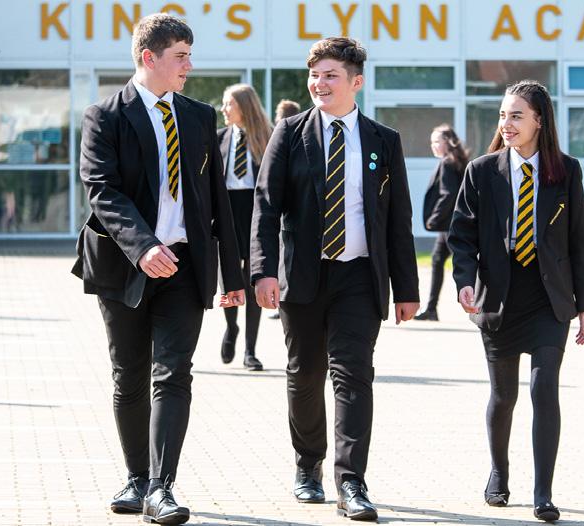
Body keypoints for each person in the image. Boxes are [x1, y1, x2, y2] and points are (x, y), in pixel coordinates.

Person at [71, 13, 245, 525]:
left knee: (173, 373)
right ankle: (136, 477)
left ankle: (161, 488)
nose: (189, 66)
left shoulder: (198, 116)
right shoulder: (104, 116)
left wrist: (232, 276)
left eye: (190, 55)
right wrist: (143, 246)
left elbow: (215, 199)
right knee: (129, 374)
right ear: (149, 57)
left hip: (185, 265)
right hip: (124, 264)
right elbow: (102, 190)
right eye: (181, 56)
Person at [251, 37, 420, 522]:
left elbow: (397, 219)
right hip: (303, 276)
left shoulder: (383, 140)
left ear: (356, 81)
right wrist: (262, 270)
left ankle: (351, 482)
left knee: (353, 375)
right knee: (305, 374)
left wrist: (407, 289)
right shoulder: (290, 133)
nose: (319, 84)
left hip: (359, 277)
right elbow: (266, 206)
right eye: (314, 75)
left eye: (330, 75)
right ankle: (308, 465)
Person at [447, 79, 584, 523]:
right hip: (499, 296)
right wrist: (465, 280)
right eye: (502, 116)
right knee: (504, 394)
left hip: (549, 297)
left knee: (544, 388)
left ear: (539, 121)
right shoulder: (482, 171)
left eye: (516, 116)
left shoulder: (566, 171)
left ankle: (543, 492)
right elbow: (461, 235)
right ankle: (499, 471)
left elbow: (578, 241)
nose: (506, 124)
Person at [218, 84, 273, 371]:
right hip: (227, 213)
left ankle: (250, 351)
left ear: (244, 106)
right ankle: (231, 327)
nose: (224, 109)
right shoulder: (219, 139)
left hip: (255, 213)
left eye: (229, 104)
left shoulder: (268, 137)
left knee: (254, 279)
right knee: (229, 278)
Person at [415, 124, 468, 321]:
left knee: (464, 264)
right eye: (432, 142)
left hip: (449, 225)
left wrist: (434, 218)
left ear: (447, 142)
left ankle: (485, 303)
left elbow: (448, 194)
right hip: (453, 224)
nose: (433, 145)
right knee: (438, 260)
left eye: (436, 141)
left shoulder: (447, 163)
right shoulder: (458, 160)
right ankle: (431, 309)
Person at [267, 99, 303, 322]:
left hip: (287, 210)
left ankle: (280, 298)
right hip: (286, 209)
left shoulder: (285, 134)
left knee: (283, 251)